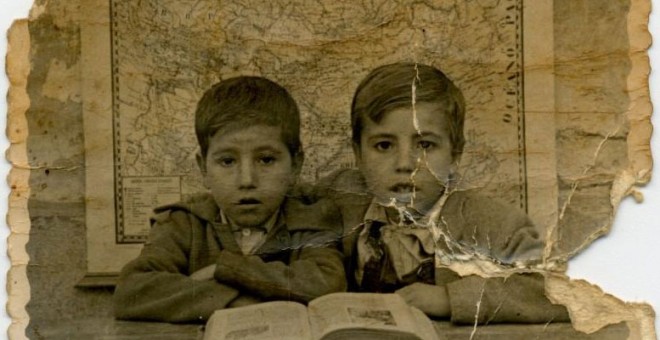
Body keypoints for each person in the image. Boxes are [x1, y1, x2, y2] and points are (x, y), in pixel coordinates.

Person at [319, 62, 569, 324]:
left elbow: (562, 289)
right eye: (384, 145)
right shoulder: (342, 199)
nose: (405, 164)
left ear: (455, 154)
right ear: (358, 153)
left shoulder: (488, 222)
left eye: (425, 145)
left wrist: (450, 298)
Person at [113, 76, 346, 323]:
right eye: (227, 161)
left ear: (296, 165)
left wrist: (225, 269)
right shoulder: (183, 223)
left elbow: (327, 285)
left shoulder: (309, 219)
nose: (246, 180)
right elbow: (132, 292)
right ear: (203, 169)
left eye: (266, 160)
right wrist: (241, 303)